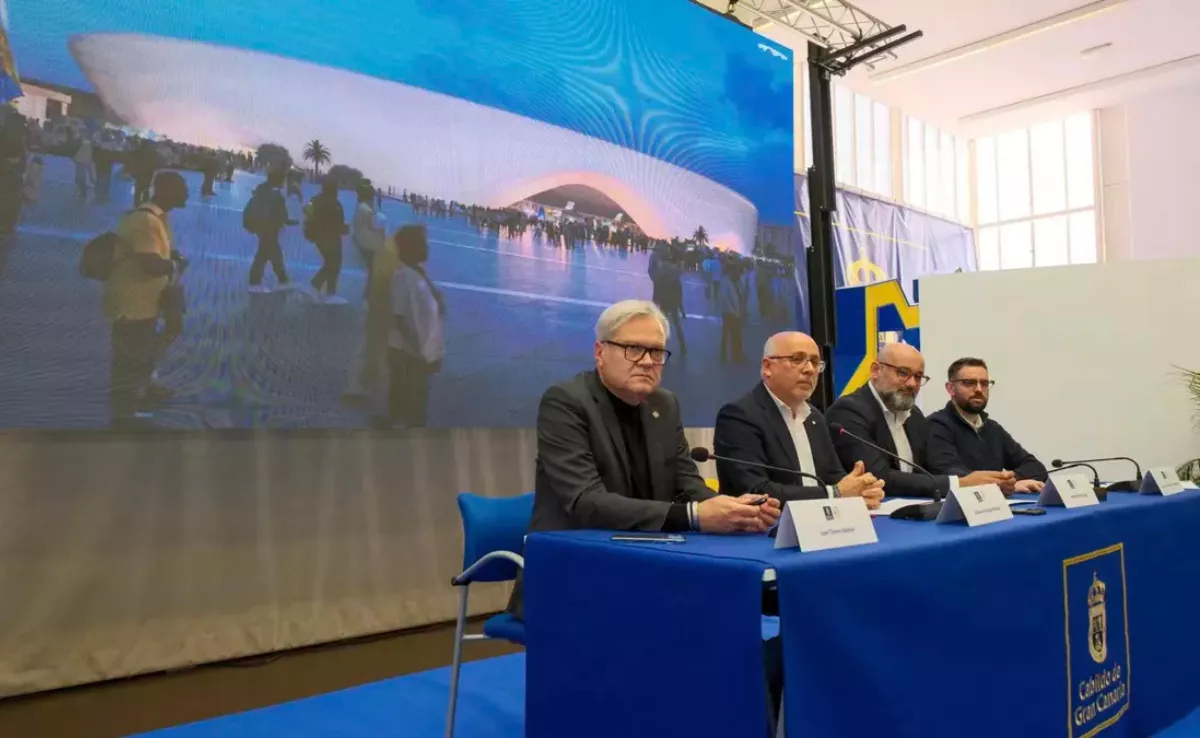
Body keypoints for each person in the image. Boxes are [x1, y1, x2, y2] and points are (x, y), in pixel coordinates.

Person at [510, 299, 784, 732]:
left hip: (653, 565)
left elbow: (686, 482)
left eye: (657, 352)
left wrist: (733, 508)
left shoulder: (665, 404)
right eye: (633, 349)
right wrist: (694, 515)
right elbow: (585, 502)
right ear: (600, 352)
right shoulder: (565, 402)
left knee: (734, 624)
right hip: (575, 575)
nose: (647, 361)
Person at [713, 331, 885, 507]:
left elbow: (834, 477)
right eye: (797, 359)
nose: (810, 369)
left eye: (815, 362)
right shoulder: (739, 415)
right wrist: (834, 493)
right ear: (767, 367)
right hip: (766, 529)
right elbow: (756, 491)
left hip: (822, 525)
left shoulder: (814, 417)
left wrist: (860, 490)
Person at [826, 343, 1013, 497]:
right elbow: (879, 476)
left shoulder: (914, 415)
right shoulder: (849, 411)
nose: (912, 384)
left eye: (918, 377)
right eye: (903, 373)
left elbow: (937, 465)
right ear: (876, 370)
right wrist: (959, 483)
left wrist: (990, 481)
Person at [104, 171, 189, 428]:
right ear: (166, 192)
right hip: (133, 300)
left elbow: (159, 251)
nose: (187, 193)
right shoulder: (146, 220)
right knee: (128, 355)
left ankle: (144, 381)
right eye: (182, 189)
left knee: (162, 335)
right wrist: (173, 265)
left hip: (150, 298)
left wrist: (172, 256)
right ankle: (124, 413)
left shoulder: (159, 218)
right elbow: (150, 262)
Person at [927, 357, 1046, 495]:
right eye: (969, 383)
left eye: (984, 383)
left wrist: (1010, 482)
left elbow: (1036, 468)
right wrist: (1002, 485)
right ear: (950, 388)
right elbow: (952, 474)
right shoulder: (936, 425)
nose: (978, 389)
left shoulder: (993, 428)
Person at [388, 225, 444, 427]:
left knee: (414, 402)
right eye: (423, 243)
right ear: (412, 248)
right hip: (408, 354)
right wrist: (420, 353)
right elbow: (399, 318)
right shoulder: (403, 276)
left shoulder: (418, 272)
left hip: (415, 352)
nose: (427, 247)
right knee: (411, 406)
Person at [247, 168, 295, 293]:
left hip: (261, 227)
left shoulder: (262, 189)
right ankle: (255, 283)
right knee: (263, 255)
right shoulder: (276, 194)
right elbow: (281, 214)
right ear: (279, 180)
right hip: (269, 229)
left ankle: (283, 280)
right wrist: (287, 221)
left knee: (274, 254)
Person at [304, 179, 348, 304]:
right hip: (331, 238)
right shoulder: (336, 204)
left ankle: (320, 289)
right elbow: (339, 225)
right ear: (335, 190)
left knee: (329, 263)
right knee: (334, 264)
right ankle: (325, 291)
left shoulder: (314, 199)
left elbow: (306, 211)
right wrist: (345, 229)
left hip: (317, 237)